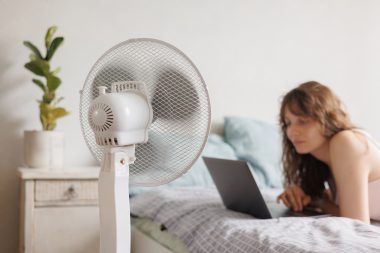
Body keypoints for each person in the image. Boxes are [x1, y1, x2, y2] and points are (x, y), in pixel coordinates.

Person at [276, 81, 380, 224]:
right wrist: (305, 195)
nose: (292, 131)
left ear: (326, 119)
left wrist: (321, 203)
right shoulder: (322, 161)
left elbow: (356, 224)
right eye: (288, 123)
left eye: (303, 121)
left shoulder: (345, 142)